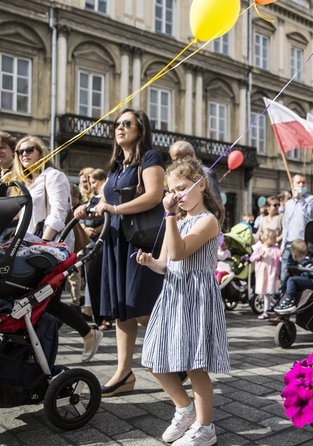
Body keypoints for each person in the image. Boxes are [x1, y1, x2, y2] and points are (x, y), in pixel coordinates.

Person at [136, 157, 229, 446]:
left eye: (183, 187)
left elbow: (178, 253)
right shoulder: (178, 220)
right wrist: (150, 262)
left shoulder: (207, 221)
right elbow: (166, 263)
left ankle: (205, 427)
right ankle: (185, 409)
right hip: (173, 293)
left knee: (193, 365)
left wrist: (170, 217)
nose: (176, 195)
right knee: (153, 356)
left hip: (196, 296)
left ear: (201, 185)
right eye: (172, 189)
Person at [74, 108, 165, 396]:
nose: (120, 128)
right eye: (117, 124)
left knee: (142, 309)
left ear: (140, 129)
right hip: (115, 241)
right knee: (122, 310)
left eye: (127, 123)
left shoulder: (150, 158)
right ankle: (124, 374)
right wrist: (87, 207)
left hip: (138, 242)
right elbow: (105, 197)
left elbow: (154, 196)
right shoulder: (116, 167)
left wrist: (113, 209)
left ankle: (176, 359)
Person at [11, 135, 103, 362]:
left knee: (44, 297)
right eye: (20, 151)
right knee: (39, 299)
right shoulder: (28, 182)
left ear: (41, 152)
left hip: (50, 246)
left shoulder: (53, 176)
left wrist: (44, 243)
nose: (24, 154)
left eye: (29, 149)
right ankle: (39, 348)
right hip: (29, 246)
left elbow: (58, 212)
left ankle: (87, 333)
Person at [169, 140, 225, 226]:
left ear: (191, 154)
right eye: (174, 161)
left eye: (180, 158)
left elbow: (219, 207)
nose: (177, 163)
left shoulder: (206, 173)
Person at [81, 168, 110, 330]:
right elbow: (83, 219)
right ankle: (98, 317)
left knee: (104, 280)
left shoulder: (109, 199)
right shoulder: (92, 200)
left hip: (103, 243)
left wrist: (98, 231)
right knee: (91, 279)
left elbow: (111, 216)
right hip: (90, 244)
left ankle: (107, 317)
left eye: (94, 182)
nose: (92, 186)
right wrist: (85, 229)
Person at [280, 174, 313, 282]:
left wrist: (301, 200)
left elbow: (311, 215)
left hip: (304, 244)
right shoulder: (289, 204)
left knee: (304, 273)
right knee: (285, 273)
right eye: (298, 182)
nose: (301, 185)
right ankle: (284, 295)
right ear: (293, 185)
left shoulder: (311, 199)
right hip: (290, 243)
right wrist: (283, 245)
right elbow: (286, 226)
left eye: (303, 182)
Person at [273, 239, 313, 313]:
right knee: (289, 278)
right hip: (312, 281)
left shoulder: (307, 261)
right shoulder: (304, 261)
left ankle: (289, 301)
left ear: (293, 255)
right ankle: (280, 297)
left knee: (291, 280)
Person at [250, 228, 280, 320]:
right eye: (273, 238)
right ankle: (275, 305)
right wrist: (259, 255)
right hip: (262, 273)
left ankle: (266, 311)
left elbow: (279, 259)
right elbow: (252, 258)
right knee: (265, 293)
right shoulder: (260, 247)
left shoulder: (275, 249)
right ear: (267, 238)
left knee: (267, 293)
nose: (276, 239)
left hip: (271, 272)